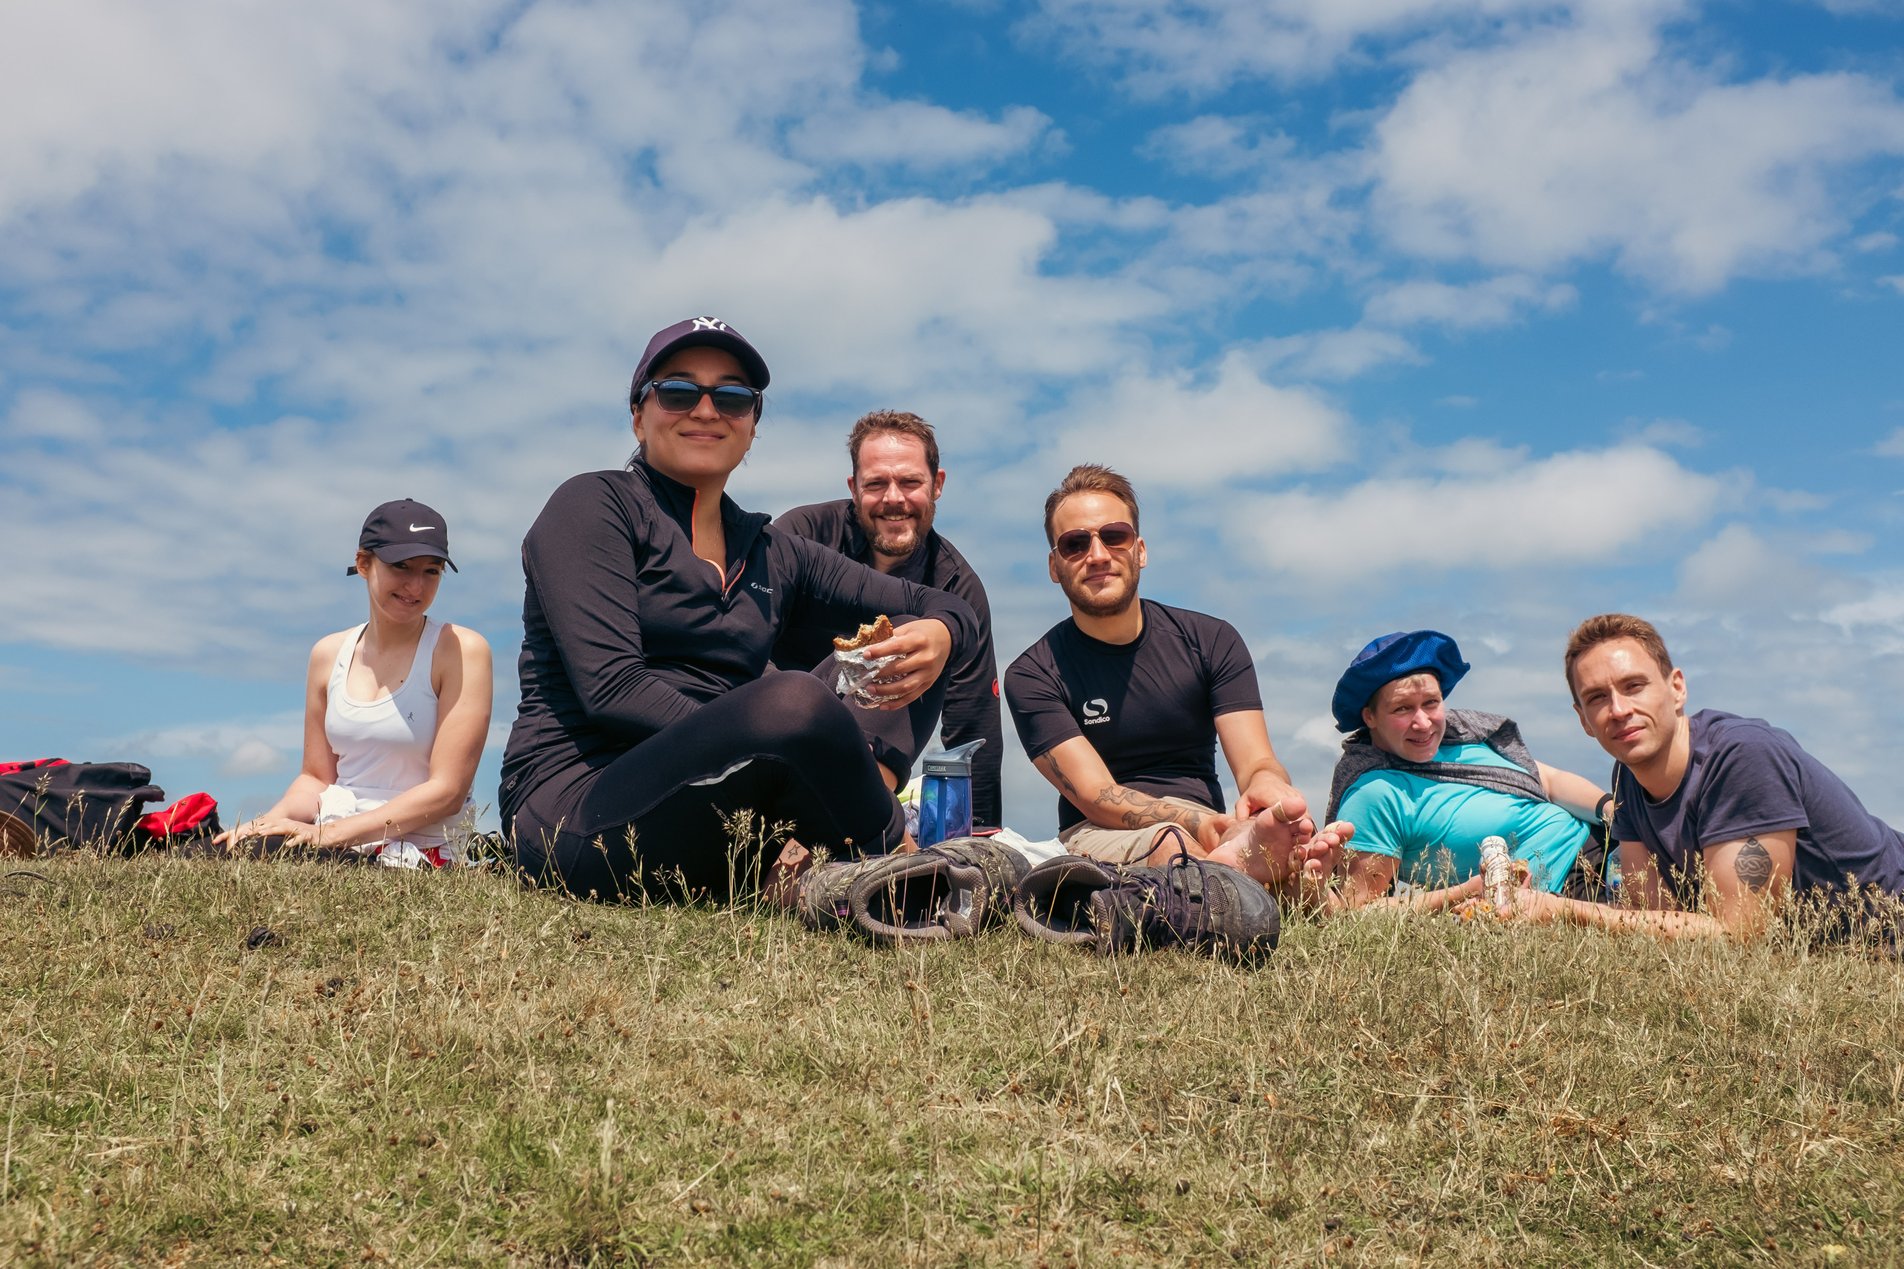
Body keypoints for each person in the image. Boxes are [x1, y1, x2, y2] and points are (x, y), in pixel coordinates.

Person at [499, 316, 979, 902]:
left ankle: (831, 866)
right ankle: (904, 871)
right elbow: (612, 687)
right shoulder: (595, 505)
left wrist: (944, 632)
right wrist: (769, 741)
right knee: (794, 700)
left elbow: (940, 602)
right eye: (678, 391)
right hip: (583, 810)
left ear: (751, 427)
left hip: (726, 803)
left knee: (898, 639)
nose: (706, 410)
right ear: (638, 415)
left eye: (732, 397)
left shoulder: (772, 549)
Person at [1002, 463, 1348, 900]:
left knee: (1251, 833)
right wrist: (1204, 826)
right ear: (1055, 566)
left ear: (1140, 550)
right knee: (1170, 841)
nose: (1098, 554)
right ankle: (1262, 876)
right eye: (1075, 544)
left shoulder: (1211, 640)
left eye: (1114, 536)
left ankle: (1273, 869)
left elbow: (1256, 761)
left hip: (1213, 824)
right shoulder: (1032, 673)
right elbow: (1096, 794)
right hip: (1099, 832)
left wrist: (1269, 791)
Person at [1500, 612, 1904, 941]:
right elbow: (1649, 919)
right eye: (1597, 698)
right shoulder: (1628, 776)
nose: (1619, 709)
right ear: (1583, 721)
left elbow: (1740, 935)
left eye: (1634, 686)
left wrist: (1564, 910)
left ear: (1677, 688)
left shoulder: (1743, 757)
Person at [217, 500, 493, 867]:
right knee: (215, 852)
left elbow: (448, 792)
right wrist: (266, 824)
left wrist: (328, 836)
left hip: (417, 856)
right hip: (331, 844)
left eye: (432, 571)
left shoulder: (461, 650)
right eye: (401, 567)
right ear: (364, 564)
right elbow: (316, 777)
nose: (416, 585)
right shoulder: (328, 654)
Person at [771, 410, 1004, 830]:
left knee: (902, 635)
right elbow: (746, 644)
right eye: (876, 484)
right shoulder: (802, 536)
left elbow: (972, 725)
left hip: (870, 759)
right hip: (777, 731)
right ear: (854, 489)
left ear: (938, 485)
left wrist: (984, 833)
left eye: (910, 482)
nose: (893, 498)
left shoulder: (957, 587)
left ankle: (848, 832)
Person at [1322, 629, 1610, 911]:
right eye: (1402, 709)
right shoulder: (1374, 794)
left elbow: (1548, 781)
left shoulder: (1468, 741)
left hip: (1611, 843)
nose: (1423, 723)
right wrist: (1467, 892)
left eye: (1431, 703)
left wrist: (1612, 810)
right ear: (1369, 716)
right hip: (1569, 892)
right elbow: (1359, 909)